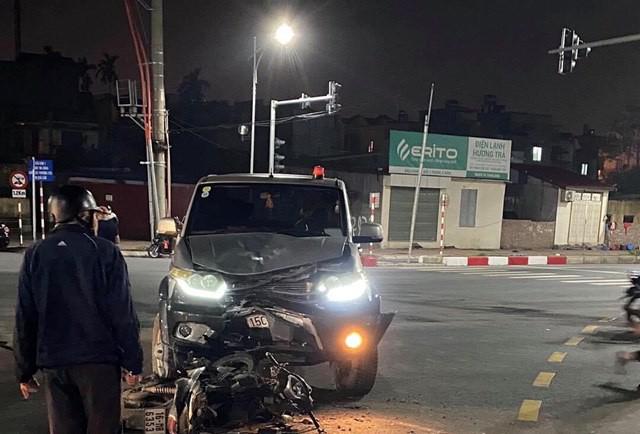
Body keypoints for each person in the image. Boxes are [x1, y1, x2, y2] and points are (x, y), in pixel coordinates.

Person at [13, 185, 143, 434]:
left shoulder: (36, 254)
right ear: (84, 215)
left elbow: (25, 317)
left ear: (55, 216)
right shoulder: (105, 251)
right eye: (94, 215)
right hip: (99, 364)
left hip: (55, 364)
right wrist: (133, 363)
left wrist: (24, 371)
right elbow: (122, 313)